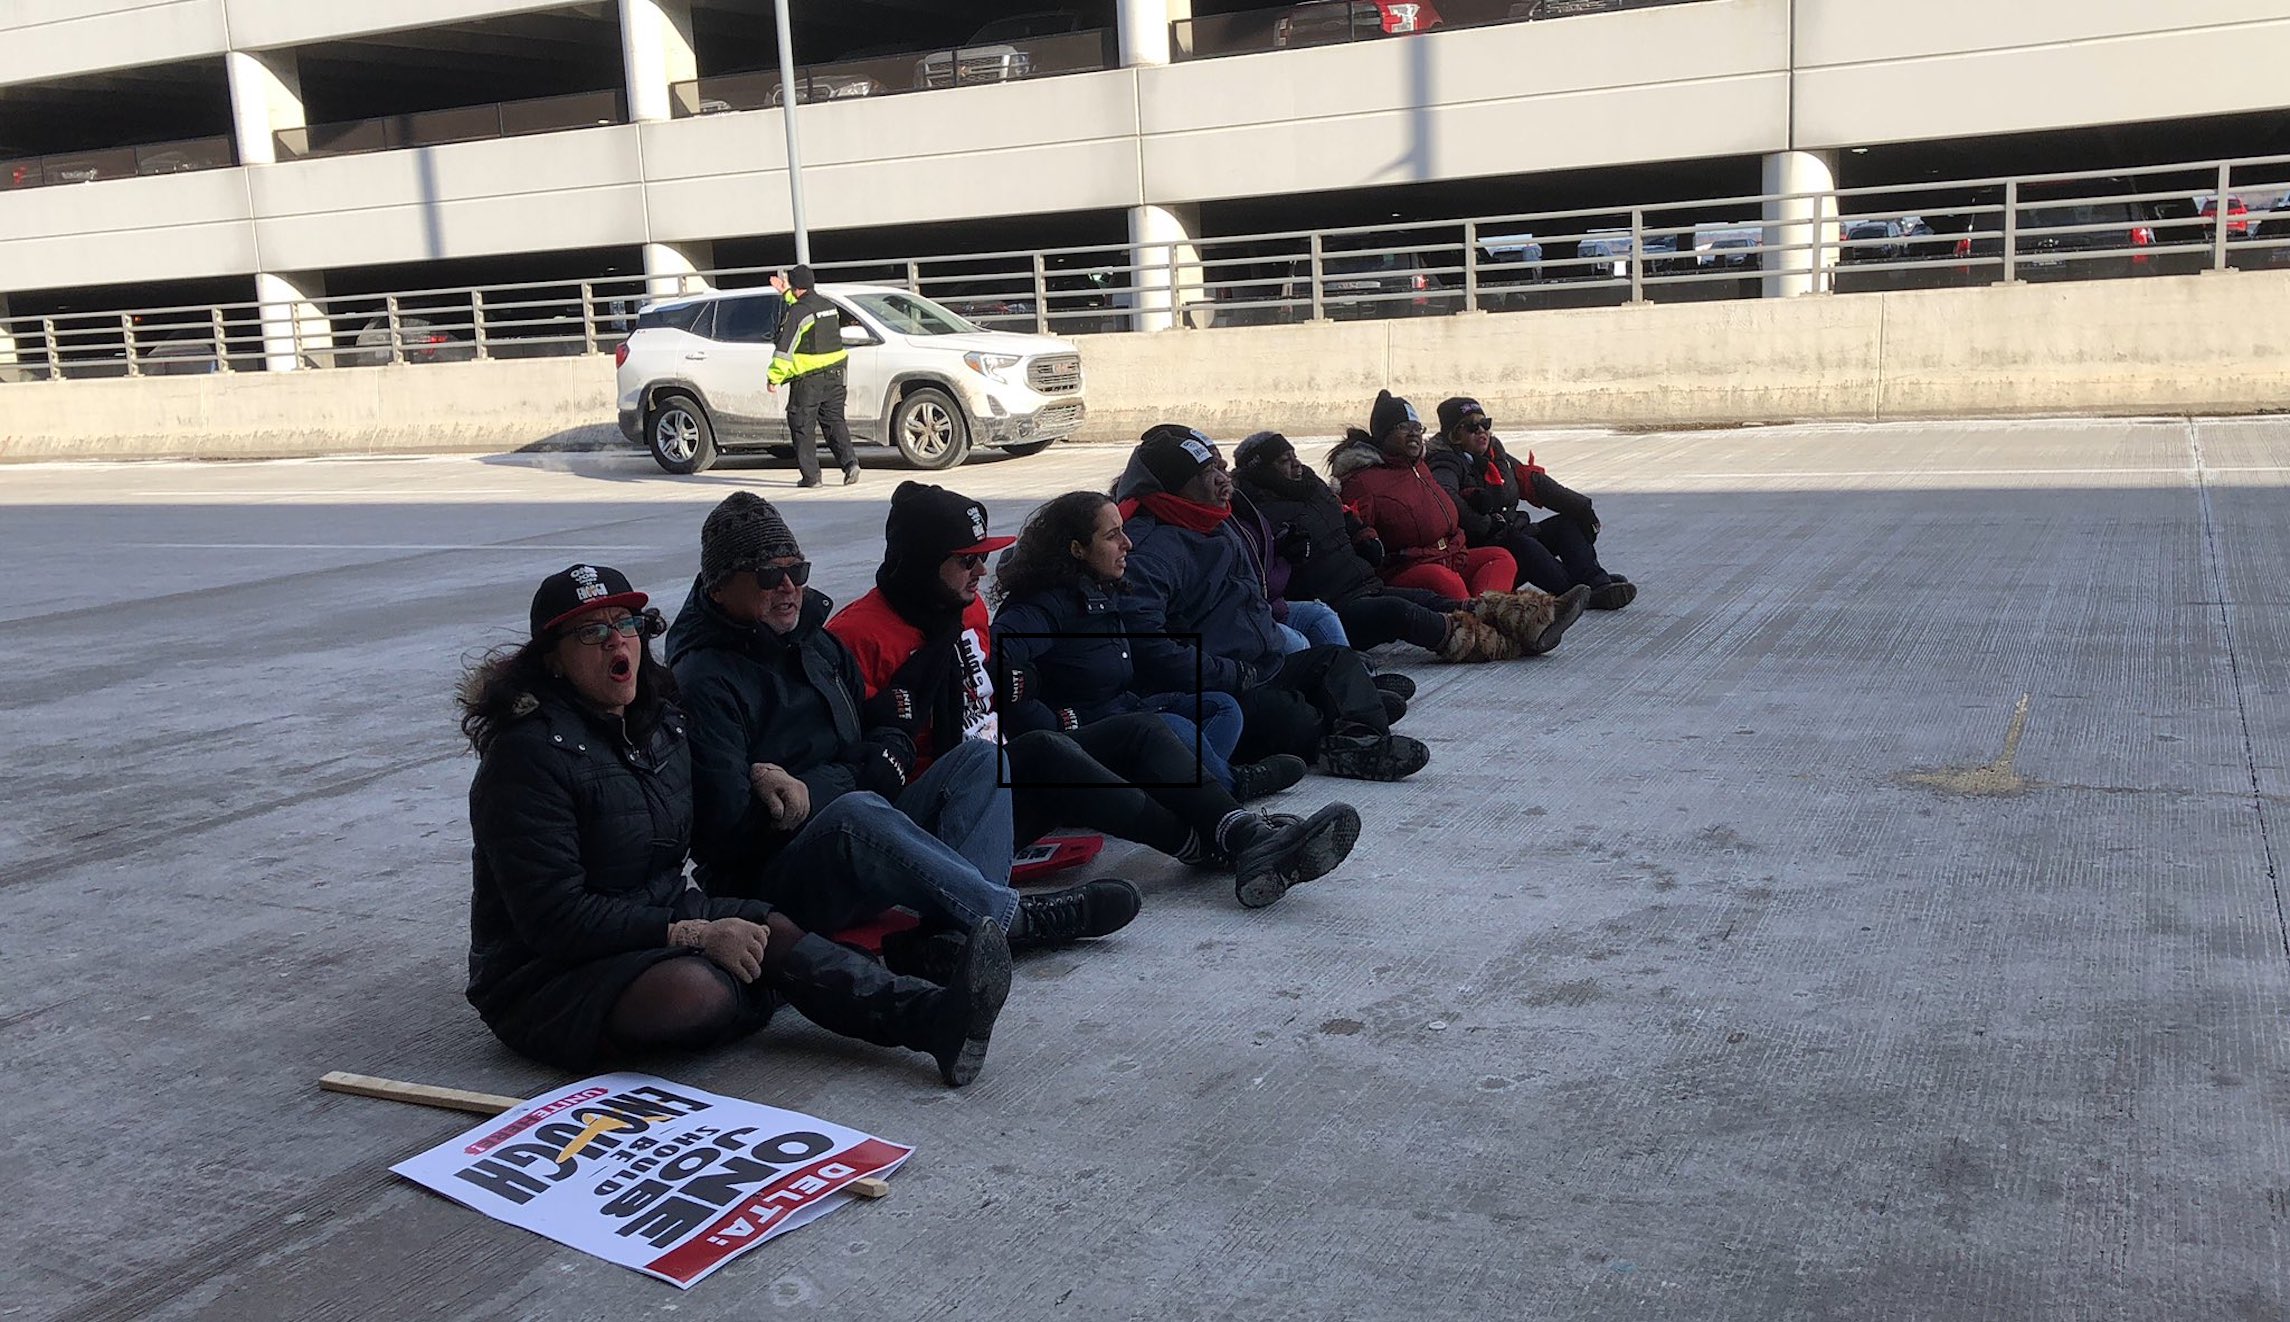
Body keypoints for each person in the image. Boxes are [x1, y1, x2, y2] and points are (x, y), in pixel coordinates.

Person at [459, 563, 1009, 1087]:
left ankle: (934, 1018)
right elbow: (554, 918)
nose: (616, 641)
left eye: (626, 624)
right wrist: (693, 935)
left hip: (654, 912)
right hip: (546, 971)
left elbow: (684, 799)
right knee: (703, 991)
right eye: (589, 632)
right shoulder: (526, 758)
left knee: (775, 930)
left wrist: (754, 777)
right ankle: (792, 985)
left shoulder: (658, 723)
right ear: (552, 660)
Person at [836, 481, 1363, 910]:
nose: (982, 571)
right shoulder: (856, 635)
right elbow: (858, 757)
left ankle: (1237, 831)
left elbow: (1006, 681)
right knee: (1050, 747)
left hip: (1004, 771)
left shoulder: (964, 608)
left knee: (1145, 729)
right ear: (924, 563)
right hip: (944, 807)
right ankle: (1218, 840)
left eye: (983, 557)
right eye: (966, 560)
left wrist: (1032, 692)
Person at [665, 491, 1137, 955]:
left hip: (857, 830)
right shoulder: (704, 680)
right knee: (857, 810)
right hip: (774, 877)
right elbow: (724, 831)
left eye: (797, 570)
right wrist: (839, 785)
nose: (789, 587)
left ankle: (962, 937)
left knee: (978, 760)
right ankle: (1013, 920)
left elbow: (879, 727)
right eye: (770, 574)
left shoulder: (816, 646)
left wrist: (877, 757)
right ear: (720, 586)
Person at [1117, 425, 1432, 781]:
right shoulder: (1149, 552)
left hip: (1261, 665)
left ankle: (1358, 734)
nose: (1223, 482)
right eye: (1207, 475)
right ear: (1176, 488)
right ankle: (1342, 719)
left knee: (1336, 660)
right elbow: (1149, 648)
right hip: (1216, 683)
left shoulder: (1212, 523)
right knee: (1291, 717)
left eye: (1220, 470)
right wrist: (1228, 673)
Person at [988, 489, 1308, 802]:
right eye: (1113, 536)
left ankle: (1174, 786)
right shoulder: (1044, 604)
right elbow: (998, 662)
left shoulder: (1104, 588)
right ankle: (1225, 786)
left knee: (1223, 708)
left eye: (1123, 532)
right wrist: (1052, 724)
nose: (1127, 544)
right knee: (1172, 729)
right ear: (1077, 549)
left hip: (1126, 707)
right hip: (1090, 729)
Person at [1329, 391, 1590, 653]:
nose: (1413, 434)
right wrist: (1368, 541)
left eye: (1416, 427)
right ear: (1383, 435)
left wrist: (1472, 496)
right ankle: (1523, 627)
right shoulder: (1364, 480)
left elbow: (1442, 499)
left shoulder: (1418, 466)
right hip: (1410, 566)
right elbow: (1354, 526)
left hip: (1452, 554)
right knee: (1446, 582)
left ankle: (1505, 629)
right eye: (1402, 427)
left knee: (1500, 558)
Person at [1232, 430, 1522, 663]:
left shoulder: (1311, 487)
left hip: (1364, 583)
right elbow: (1259, 569)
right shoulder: (1256, 511)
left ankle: (1519, 622)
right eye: (1284, 460)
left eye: (1293, 454)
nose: (1296, 463)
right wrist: (1285, 550)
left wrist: (1364, 536)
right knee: (1399, 612)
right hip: (1333, 605)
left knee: (1429, 600)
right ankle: (1495, 646)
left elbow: (1345, 515)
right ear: (1263, 469)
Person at [1429, 396, 1635, 610]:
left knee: (1564, 525)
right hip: (1484, 550)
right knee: (1523, 545)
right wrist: (1485, 524)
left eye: (1485, 424)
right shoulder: (1445, 463)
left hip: (1513, 533)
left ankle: (1596, 581)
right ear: (1454, 435)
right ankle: (1577, 594)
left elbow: (1533, 483)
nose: (1482, 431)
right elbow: (1444, 496)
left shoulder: (1496, 455)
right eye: (1472, 427)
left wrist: (1582, 508)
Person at [767, 264, 860, 489]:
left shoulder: (798, 311)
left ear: (796, 286)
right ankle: (850, 464)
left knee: (801, 425)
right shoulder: (827, 305)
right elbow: (806, 310)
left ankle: (811, 477)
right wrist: (786, 294)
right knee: (834, 422)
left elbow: (784, 348)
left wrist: (774, 377)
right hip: (837, 374)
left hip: (810, 379)